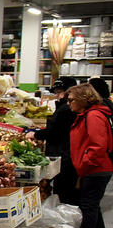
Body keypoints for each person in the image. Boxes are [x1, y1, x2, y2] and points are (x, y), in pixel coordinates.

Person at [68, 83, 113, 228]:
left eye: (72, 100)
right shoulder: (90, 114)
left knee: (88, 205)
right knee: (92, 203)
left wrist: (84, 163)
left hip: (96, 168)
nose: (69, 103)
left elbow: (98, 145)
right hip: (96, 167)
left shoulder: (93, 116)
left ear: (82, 99)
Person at [28, 76, 79, 204]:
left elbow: (57, 131)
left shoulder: (67, 109)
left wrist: (37, 135)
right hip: (65, 153)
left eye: (60, 91)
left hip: (65, 154)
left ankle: (67, 217)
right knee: (63, 190)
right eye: (56, 92)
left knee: (64, 190)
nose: (57, 95)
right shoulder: (65, 107)